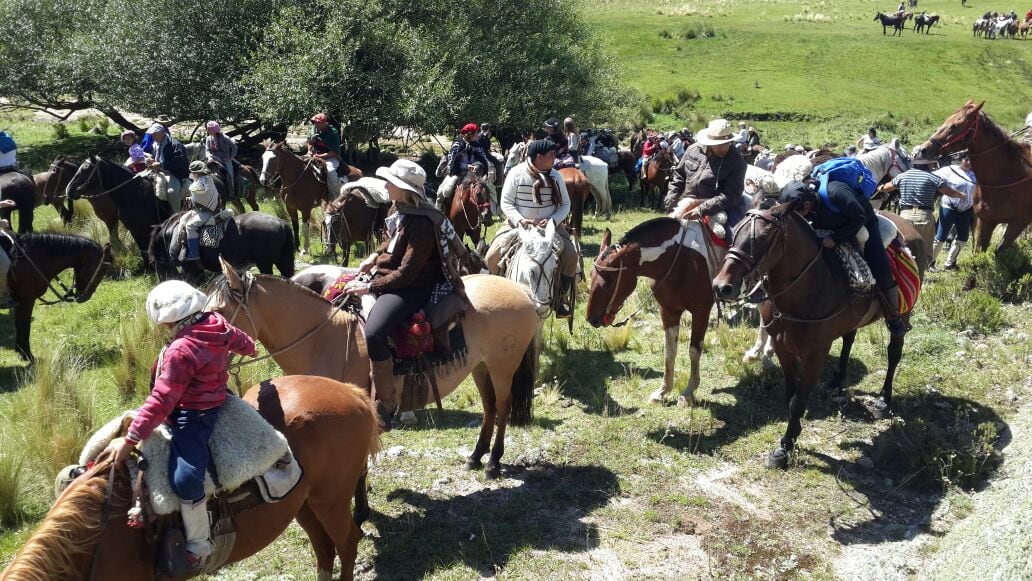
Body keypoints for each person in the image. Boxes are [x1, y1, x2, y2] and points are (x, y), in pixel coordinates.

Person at [109, 280, 257, 569]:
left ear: (171, 320)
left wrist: (132, 439)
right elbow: (243, 341)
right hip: (216, 397)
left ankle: (200, 545)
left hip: (193, 415)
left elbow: (164, 398)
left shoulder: (180, 351)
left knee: (185, 479)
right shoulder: (217, 323)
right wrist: (250, 349)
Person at [344, 160, 468, 427]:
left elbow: (408, 273)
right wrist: (374, 256)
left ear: (403, 188)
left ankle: (386, 403)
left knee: (375, 333)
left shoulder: (421, 222)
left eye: (391, 182)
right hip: (390, 276)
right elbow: (391, 240)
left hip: (412, 288)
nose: (386, 186)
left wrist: (369, 286)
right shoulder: (399, 209)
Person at [778, 180, 909, 336]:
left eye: (796, 214)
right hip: (829, 225)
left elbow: (859, 217)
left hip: (863, 223)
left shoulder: (836, 193)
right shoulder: (808, 204)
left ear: (806, 205)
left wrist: (837, 238)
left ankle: (893, 317)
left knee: (880, 265)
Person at [486, 139, 578, 318]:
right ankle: (496, 294)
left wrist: (552, 220)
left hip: (550, 226)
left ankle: (560, 300)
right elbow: (506, 202)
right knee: (491, 256)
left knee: (571, 257)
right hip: (518, 225)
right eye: (551, 155)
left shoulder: (556, 176)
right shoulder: (516, 173)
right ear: (539, 157)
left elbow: (565, 205)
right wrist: (520, 220)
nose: (555, 158)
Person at [664, 118, 747, 235]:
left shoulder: (737, 162)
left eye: (726, 143)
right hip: (685, 204)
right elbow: (679, 176)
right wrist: (671, 201)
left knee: (731, 238)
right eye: (719, 144)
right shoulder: (693, 150)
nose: (723, 148)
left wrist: (702, 209)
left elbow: (732, 195)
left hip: (717, 209)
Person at [877, 157, 965, 262]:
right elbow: (951, 193)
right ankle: (921, 273)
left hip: (905, 216)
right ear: (926, 165)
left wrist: (880, 187)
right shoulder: (933, 178)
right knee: (925, 253)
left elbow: (886, 187)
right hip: (924, 217)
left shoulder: (902, 176)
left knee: (902, 250)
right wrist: (962, 195)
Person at [931, 156, 976, 270]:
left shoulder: (975, 174)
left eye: (971, 160)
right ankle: (930, 262)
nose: (969, 162)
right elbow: (932, 177)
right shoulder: (949, 170)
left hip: (966, 209)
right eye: (966, 159)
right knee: (941, 235)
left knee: (963, 237)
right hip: (948, 206)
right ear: (961, 160)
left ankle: (950, 263)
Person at [436, 123, 490, 213]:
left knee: (487, 189)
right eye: (476, 134)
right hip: (458, 173)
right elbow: (451, 161)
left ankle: (486, 213)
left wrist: (476, 165)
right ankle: (440, 212)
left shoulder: (477, 145)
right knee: (444, 191)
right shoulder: (457, 144)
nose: (478, 136)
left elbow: (483, 159)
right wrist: (466, 166)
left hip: (474, 174)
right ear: (470, 135)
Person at [147, 123, 190, 212]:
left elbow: (178, 163)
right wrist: (151, 159)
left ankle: (176, 216)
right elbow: (156, 156)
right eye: (152, 134)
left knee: (172, 192)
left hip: (175, 173)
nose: (153, 136)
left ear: (162, 132)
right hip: (159, 170)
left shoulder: (175, 144)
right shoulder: (155, 143)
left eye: (154, 134)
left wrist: (160, 165)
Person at [182, 161, 220, 262]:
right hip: (214, 208)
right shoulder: (208, 179)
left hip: (207, 213)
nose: (191, 175)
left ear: (196, 173)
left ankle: (194, 253)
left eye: (192, 173)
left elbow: (197, 198)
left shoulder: (198, 184)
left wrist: (191, 200)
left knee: (190, 226)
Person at [308, 112, 343, 198]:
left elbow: (334, 152)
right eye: (314, 122)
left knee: (330, 171)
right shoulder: (314, 129)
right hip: (314, 154)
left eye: (318, 123)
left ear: (324, 123)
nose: (315, 124)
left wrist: (320, 156)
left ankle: (335, 196)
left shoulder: (333, 133)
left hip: (330, 157)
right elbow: (309, 141)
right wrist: (309, 150)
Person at [203, 121, 238, 196]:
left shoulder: (224, 138)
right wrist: (209, 157)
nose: (207, 130)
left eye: (208, 129)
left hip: (225, 160)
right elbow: (207, 150)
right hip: (213, 158)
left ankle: (232, 193)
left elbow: (234, 146)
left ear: (213, 130)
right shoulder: (208, 138)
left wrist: (232, 156)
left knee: (229, 174)